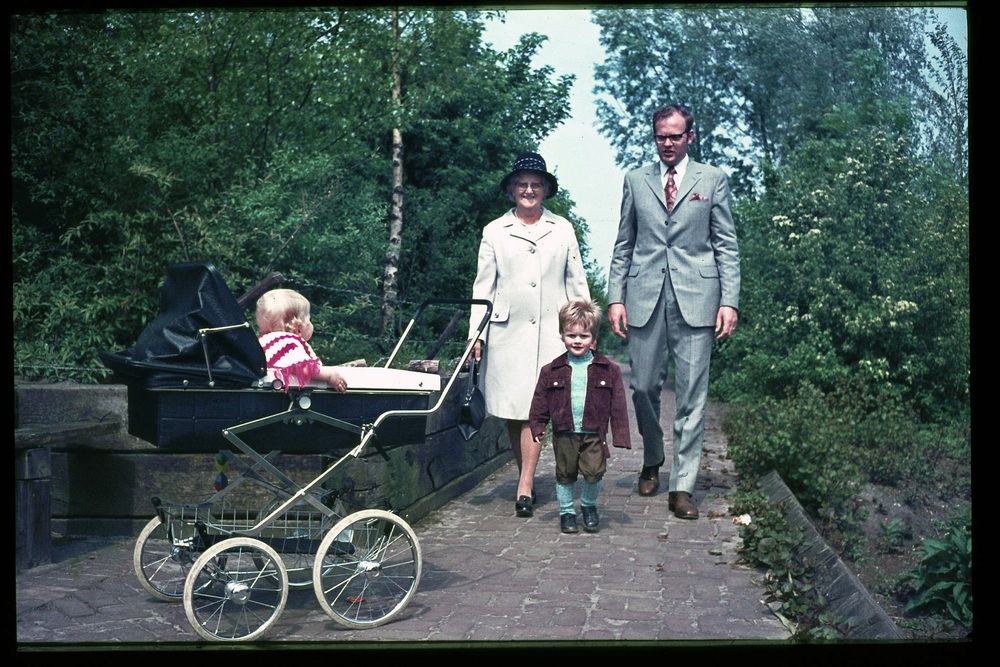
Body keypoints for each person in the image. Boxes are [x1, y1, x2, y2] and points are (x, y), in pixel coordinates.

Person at [607, 104, 740, 520]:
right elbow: (623, 244)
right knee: (643, 386)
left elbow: (726, 246)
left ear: (690, 137)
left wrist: (729, 301)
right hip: (644, 296)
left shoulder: (712, 179)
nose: (667, 143)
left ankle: (682, 486)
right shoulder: (635, 180)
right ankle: (653, 456)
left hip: (698, 299)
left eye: (675, 136)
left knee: (692, 396)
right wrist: (615, 297)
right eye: (661, 136)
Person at [469, 151, 591, 518]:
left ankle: (525, 484)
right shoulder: (494, 230)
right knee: (514, 410)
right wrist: (476, 335)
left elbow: (576, 282)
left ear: (546, 190)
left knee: (537, 410)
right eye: (521, 184)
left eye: (536, 185)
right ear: (511, 189)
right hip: (506, 334)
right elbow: (483, 287)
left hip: (552, 335)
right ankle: (527, 474)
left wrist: (584, 327)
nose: (528, 190)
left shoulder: (563, 228)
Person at [528, 300, 631, 533]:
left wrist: (621, 435)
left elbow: (618, 405)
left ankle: (588, 505)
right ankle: (566, 512)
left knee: (595, 472)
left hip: (594, 432)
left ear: (593, 338)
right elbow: (539, 401)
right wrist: (538, 426)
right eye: (571, 335)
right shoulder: (550, 370)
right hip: (565, 431)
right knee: (565, 474)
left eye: (583, 336)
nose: (576, 340)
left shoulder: (609, 370)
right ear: (562, 335)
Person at [255, 288, 348, 393]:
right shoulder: (287, 342)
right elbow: (301, 367)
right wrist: (329, 375)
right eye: (309, 320)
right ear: (298, 327)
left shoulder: (261, 343)